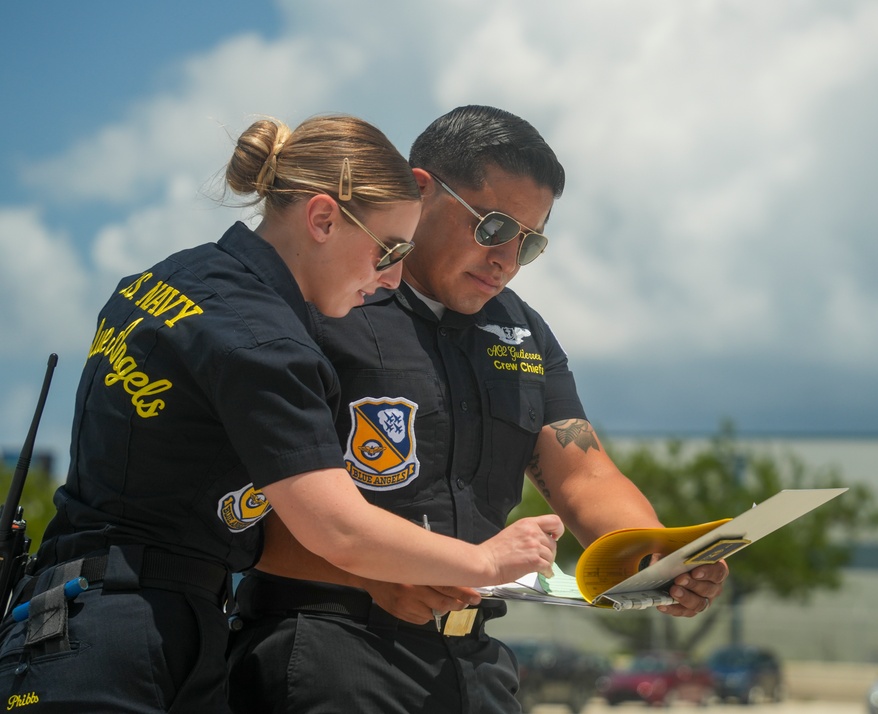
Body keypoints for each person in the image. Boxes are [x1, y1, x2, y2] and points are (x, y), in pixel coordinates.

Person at [0, 113, 563, 713]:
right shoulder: (265, 342)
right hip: (130, 633)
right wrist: (485, 560)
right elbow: (338, 527)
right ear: (322, 219)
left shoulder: (167, 282)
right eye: (389, 249)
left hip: (81, 616)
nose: (393, 277)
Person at [226, 105, 729, 714]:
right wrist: (368, 573)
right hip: (330, 647)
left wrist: (655, 559)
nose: (508, 260)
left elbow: (584, 472)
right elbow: (261, 498)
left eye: (531, 241)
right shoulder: (324, 303)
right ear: (420, 191)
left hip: (474, 662)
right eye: (493, 227)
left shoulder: (522, 331)